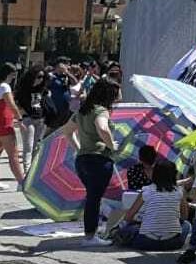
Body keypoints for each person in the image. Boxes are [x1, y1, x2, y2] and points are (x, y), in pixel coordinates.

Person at [62, 77, 121, 246]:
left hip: (82, 160)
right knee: (94, 198)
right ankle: (90, 236)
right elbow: (102, 128)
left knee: (92, 197)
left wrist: (79, 148)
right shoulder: (101, 110)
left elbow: (67, 131)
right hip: (99, 159)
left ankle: (92, 232)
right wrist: (111, 145)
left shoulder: (83, 110)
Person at [111, 160, 189, 250]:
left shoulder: (147, 190)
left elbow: (128, 216)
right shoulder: (180, 191)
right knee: (186, 225)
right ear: (174, 174)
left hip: (145, 242)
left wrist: (137, 222)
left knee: (130, 228)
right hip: (172, 243)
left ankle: (119, 237)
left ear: (155, 174)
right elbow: (184, 217)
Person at [0, 63, 26, 192]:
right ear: (8, 74)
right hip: (4, 123)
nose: (13, 78)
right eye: (13, 75)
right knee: (13, 154)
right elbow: (12, 105)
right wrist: (20, 119)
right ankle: (22, 183)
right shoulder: (5, 87)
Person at [12, 64, 47, 170]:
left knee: (37, 147)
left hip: (40, 119)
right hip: (28, 119)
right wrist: (21, 115)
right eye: (38, 77)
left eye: (42, 77)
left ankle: (33, 170)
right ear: (32, 76)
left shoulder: (42, 89)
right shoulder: (23, 88)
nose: (40, 79)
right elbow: (16, 103)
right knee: (28, 147)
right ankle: (27, 171)